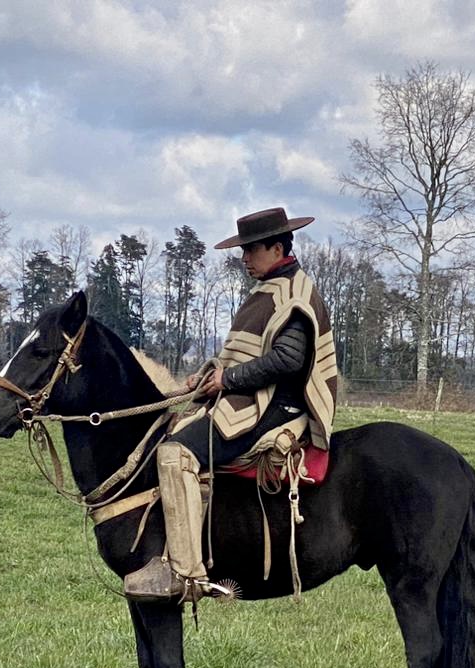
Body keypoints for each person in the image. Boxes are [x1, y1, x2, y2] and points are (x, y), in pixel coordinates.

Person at [124, 207, 339, 601]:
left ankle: (185, 573)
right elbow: (244, 355)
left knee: (173, 455)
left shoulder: (294, 292)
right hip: (249, 397)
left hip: (275, 408)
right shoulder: (270, 289)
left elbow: (288, 360)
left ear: (277, 248)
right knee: (172, 432)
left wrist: (230, 379)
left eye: (251, 250)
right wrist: (210, 379)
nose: (244, 259)